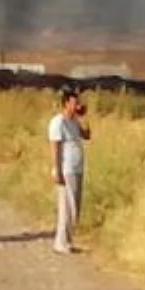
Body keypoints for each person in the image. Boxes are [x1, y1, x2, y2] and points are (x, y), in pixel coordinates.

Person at [48, 86, 92, 255]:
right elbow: (55, 147)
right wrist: (57, 170)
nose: (77, 106)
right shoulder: (58, 122)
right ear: (66, 104)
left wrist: (83, 117)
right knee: (67, 206)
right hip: (66, 169)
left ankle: (66, 240)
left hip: (77, 167)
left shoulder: (73, 121)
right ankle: (61, 242)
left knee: (75, 206)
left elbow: (87, 135)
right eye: (74, 103)